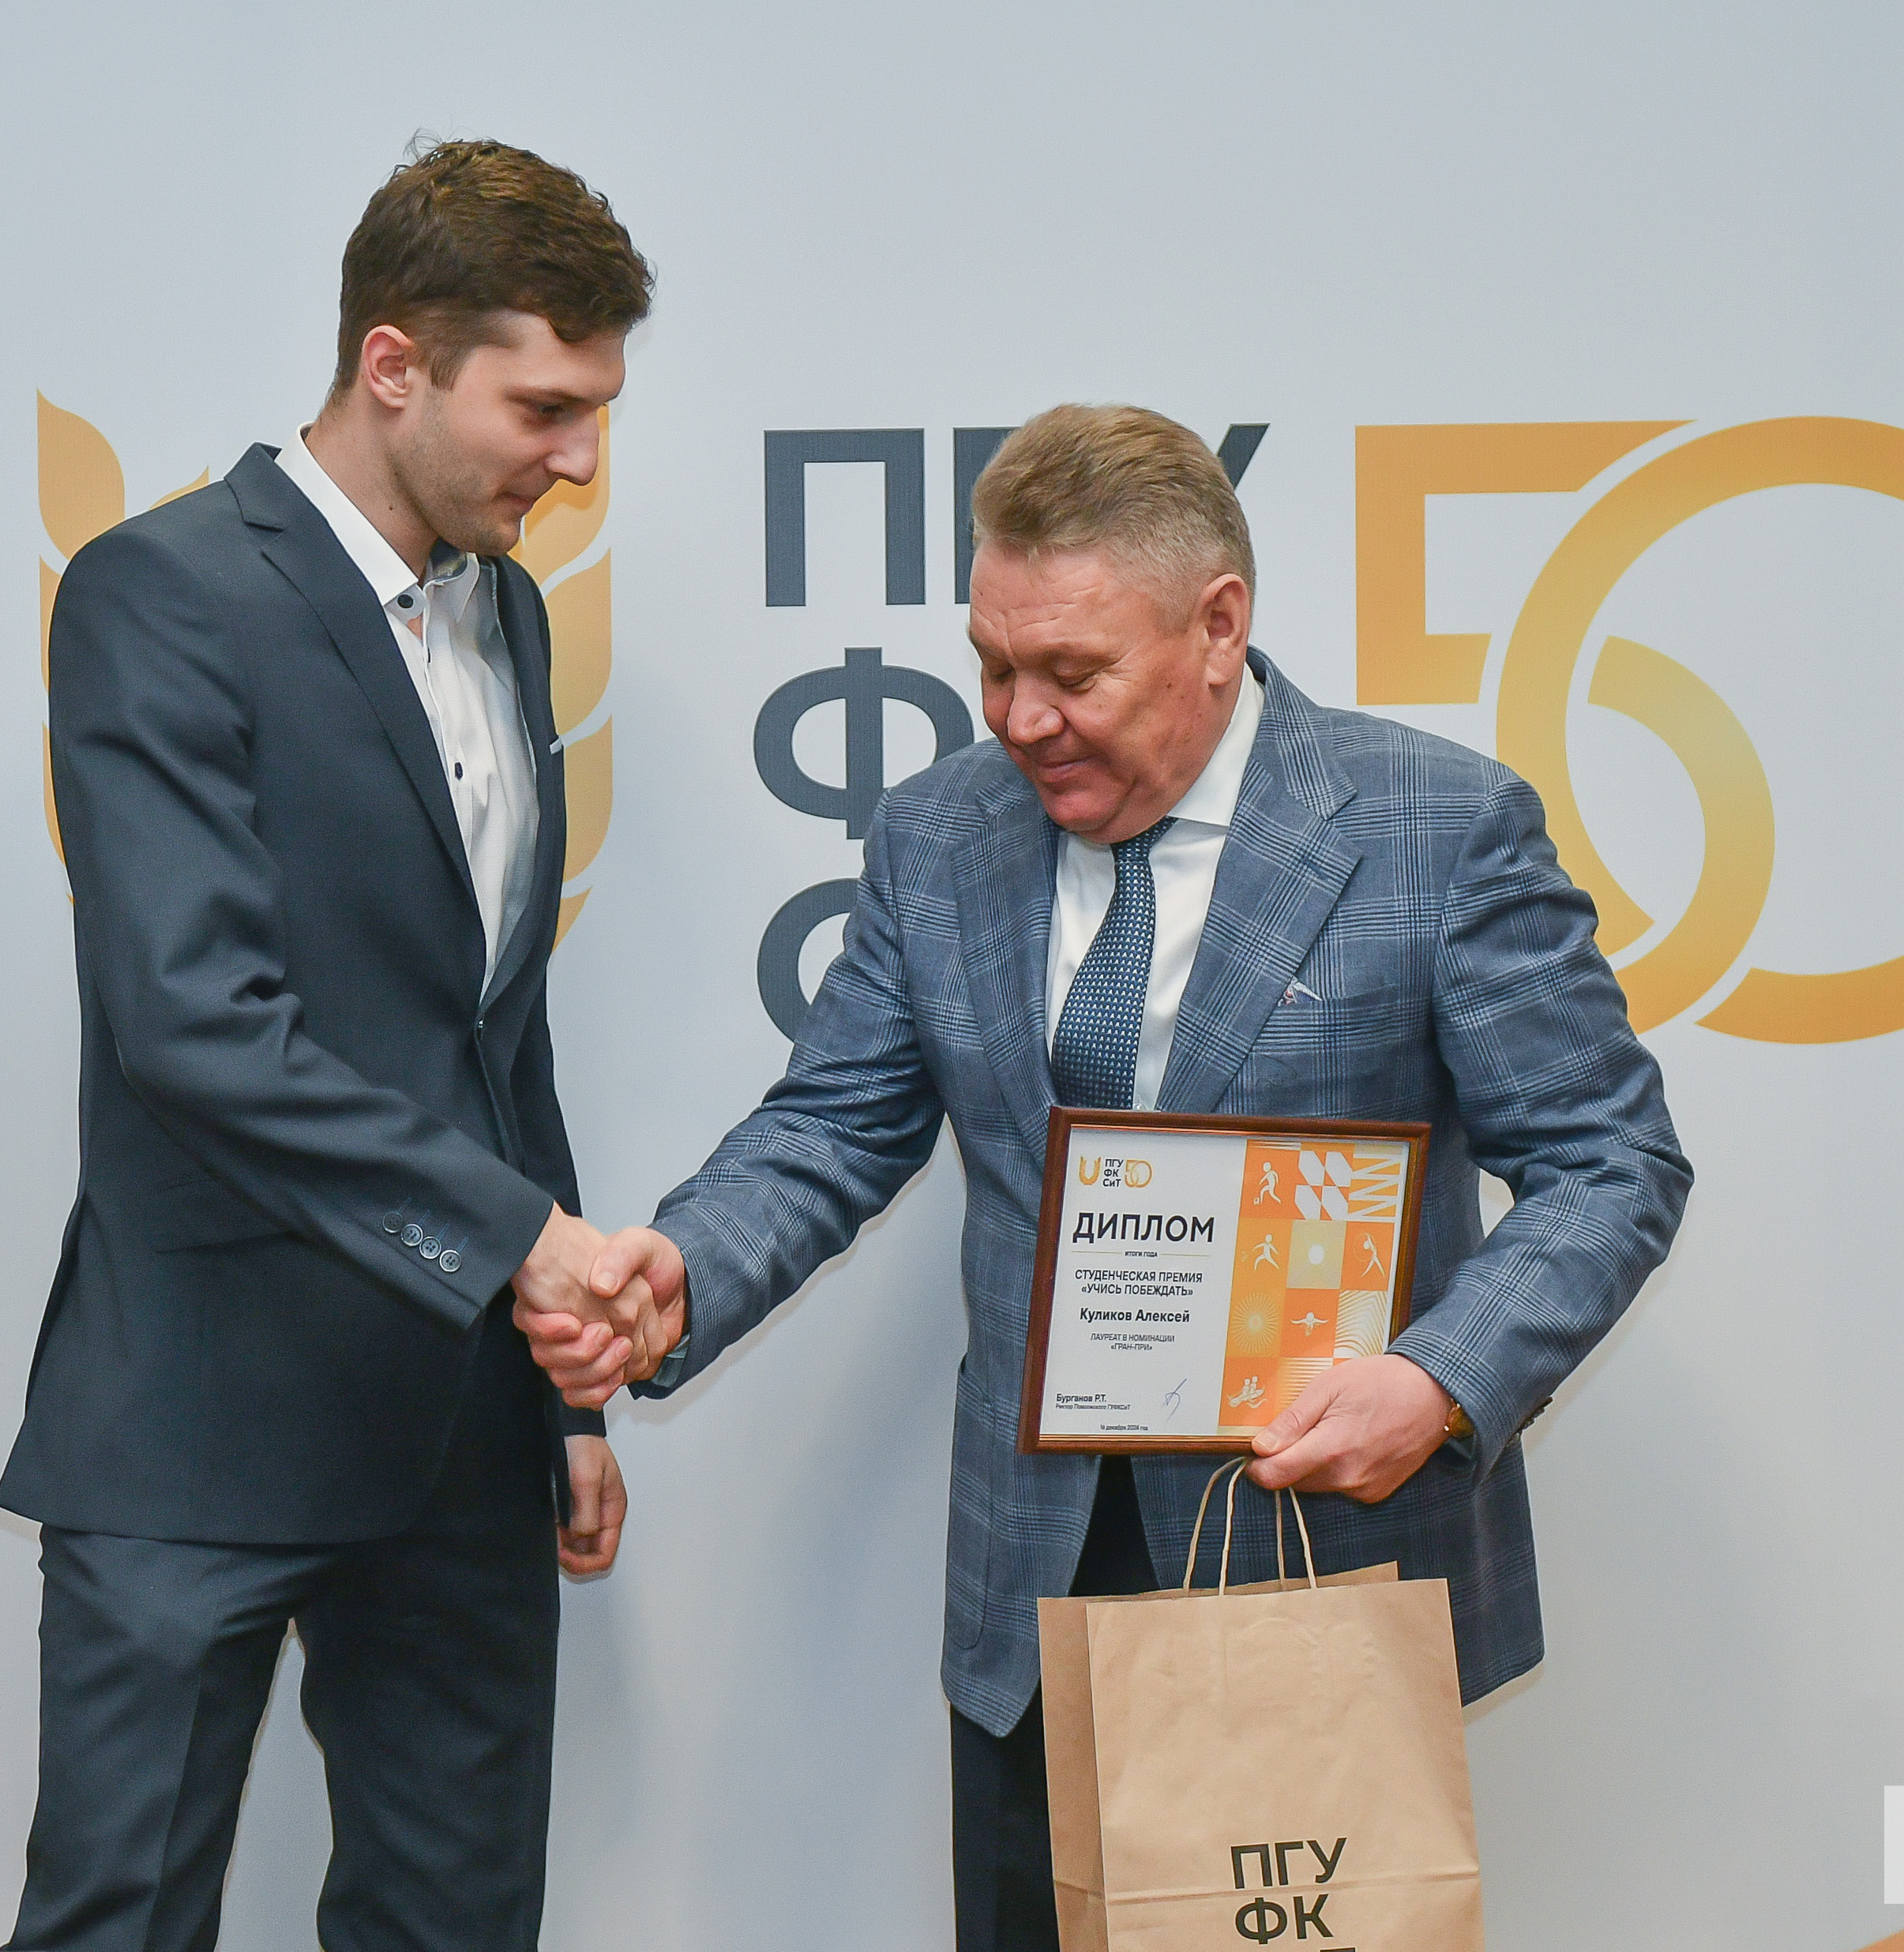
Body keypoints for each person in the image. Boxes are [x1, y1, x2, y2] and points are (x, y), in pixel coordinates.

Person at [522, 404, 1692, 1950]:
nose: (1021, 718)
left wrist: (1437, 1382)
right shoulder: (940, 834)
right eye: (992, 665)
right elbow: (833, 1125)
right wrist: (683, 1270)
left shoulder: (1438, 829)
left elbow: (1610, 1161)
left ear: (1218, 628)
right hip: (1036, 1582)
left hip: (1320, 1564)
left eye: (1073, 674)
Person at [0, 141, 672, 1952]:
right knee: (119, 1925)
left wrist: (567, 1395)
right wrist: (531, 1244)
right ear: (394, 367)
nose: (580, 459)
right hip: (198, 1413)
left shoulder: (511, 608)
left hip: (461, 1427)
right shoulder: (157, 592)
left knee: (457, 1927)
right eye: (545, 407)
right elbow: (193, 1025)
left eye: (598, 411)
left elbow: (496, 1036)